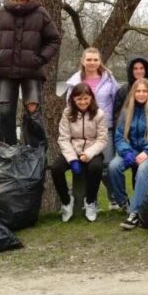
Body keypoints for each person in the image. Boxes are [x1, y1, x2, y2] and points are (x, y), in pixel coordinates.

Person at [0, 0, 62, 145]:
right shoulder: (0, 13)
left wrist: (40, 58)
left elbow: (54, 40)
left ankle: (34, 153)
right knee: (4, 112)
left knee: (33, 112)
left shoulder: (41, 13)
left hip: (31, 71)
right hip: (4, 71)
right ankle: (7, 151)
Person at [109, 79, 148, 230]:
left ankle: (135, 213)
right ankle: (124, 202)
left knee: (143, 170)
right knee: (113, 166)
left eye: (145, 91)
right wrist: (127, 151)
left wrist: (147, 152)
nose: (141, 94)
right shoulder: (126, 111)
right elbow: (119, 137)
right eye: (138, 91)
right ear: (133, 93)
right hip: (132, 150)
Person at [51, 82, 107, 223]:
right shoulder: (68, 113)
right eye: (79, 99)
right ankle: (66, 201)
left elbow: (102, 139)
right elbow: (63, 138)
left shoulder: (99, 114)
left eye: (85, 98)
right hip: (72, 150)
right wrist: (72, 159)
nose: (82, 102)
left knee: (96, 167)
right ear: (73, 100)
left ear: (91, 98)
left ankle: (90, 201)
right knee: (56, 168)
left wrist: (88, 154)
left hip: (92, 149)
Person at [64, 48, 120, 165]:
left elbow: (117, 102)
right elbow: (70, 106)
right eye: (89, 59)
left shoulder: (109, 79)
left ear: (100, 61)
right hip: (81, 132)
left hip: (105, 129)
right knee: (86, 167)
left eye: (95, 60)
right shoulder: (75, 81)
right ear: (83, 61)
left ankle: (116, 184)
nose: (92, 63)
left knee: (107, 166)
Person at [112, 54, 148, 122]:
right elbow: (117, 118)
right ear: (131, 71)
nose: (139, 72)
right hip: (129, 131)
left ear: (146, 69)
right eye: (135, 69)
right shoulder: (122, 91)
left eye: (141, 68)